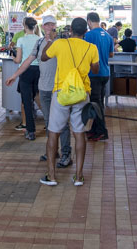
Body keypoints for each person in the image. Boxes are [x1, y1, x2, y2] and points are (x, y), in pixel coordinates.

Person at [39, 17, 99, 187]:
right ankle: (78, 177)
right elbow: (95, 68)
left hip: (61, 93)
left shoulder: (60, 44)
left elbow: (43, 57)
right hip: (82, 94)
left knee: (53, 133)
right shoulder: (91, 47)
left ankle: (51, 176)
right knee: (79, 133)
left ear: (71, 30)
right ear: (85, 32)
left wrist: (50, 40)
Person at [7, 15, 72, 168]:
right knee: (50, 122)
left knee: (62, 122)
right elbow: (27, 61)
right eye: (47, 25)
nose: (50, 28)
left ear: (56, 26)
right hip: (43, 88)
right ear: (42, 27)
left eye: (52, 25)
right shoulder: (39, 42)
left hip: (58, 88)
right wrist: (14, 75)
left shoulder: (62, 43)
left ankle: (66, 154)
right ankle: (52, 151)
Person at [84, 12, 114, 141]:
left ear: (89, 21)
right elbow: (111, 54)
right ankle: (94, 130)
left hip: (93, 74)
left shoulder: (88, 35)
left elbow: (84, 54)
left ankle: (102, 131)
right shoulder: (108, 36)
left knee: (96, 104)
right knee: (98, 102)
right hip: (105, 73)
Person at [14, 17, 41, 140]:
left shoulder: (21, 40)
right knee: (39, 97)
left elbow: (19, 60)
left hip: (25, 71)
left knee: (27, 101)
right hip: (38, 71)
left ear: (24, 26)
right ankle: (50, 122)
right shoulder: (40, 40)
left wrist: (14, 59)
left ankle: (30, 130)